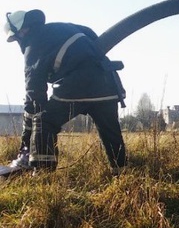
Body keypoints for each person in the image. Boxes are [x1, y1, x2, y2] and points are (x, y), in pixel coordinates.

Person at [3, 9, 127, 172]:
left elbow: (34, 93)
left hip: (78, 85)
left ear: (22, 30)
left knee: (44, 122)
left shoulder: (34, 45)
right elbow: (93, 36)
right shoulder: (63, 27)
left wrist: (27, 139)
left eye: (16, 38)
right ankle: (121, 172)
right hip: (108, 82)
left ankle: (43, 172)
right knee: (110, 131)